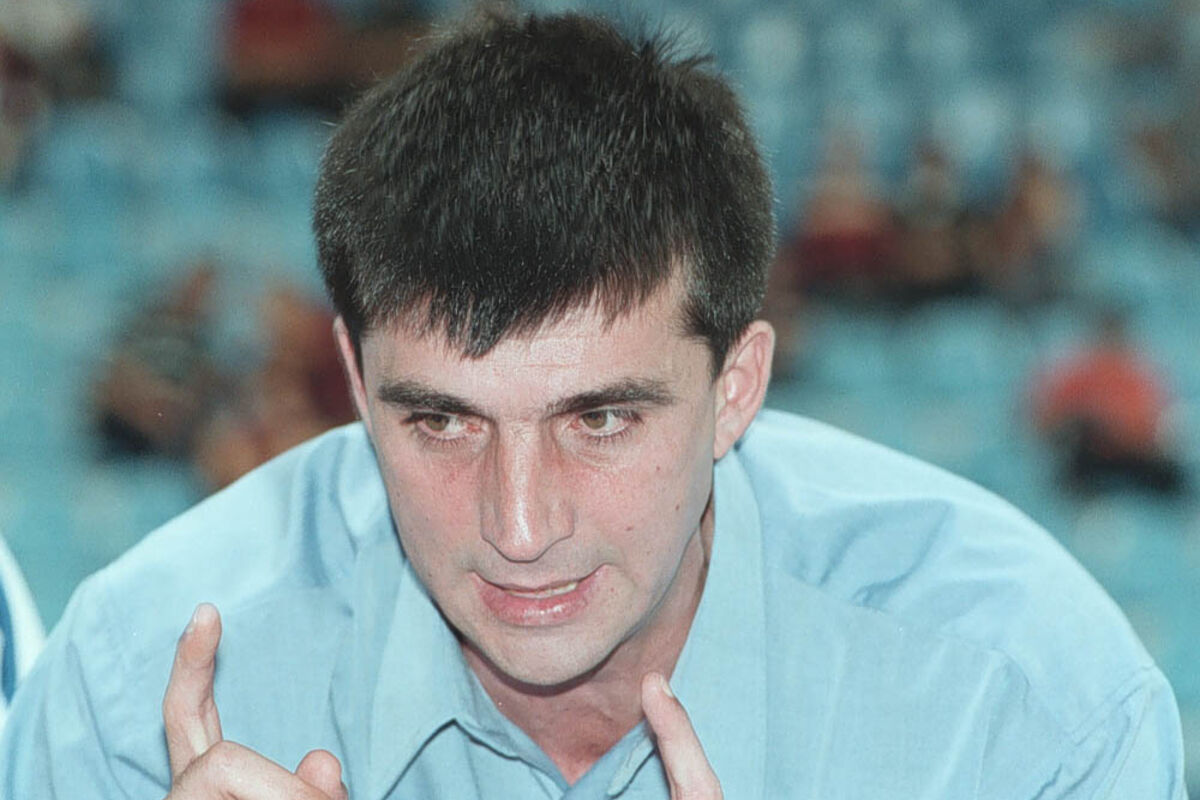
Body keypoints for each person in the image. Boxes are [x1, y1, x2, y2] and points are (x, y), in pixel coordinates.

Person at [1, 9, 1186, 798]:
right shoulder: (128, 693)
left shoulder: (1025, 708)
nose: (519, 527)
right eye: (441, 420)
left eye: (600, 419)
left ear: (737, 386)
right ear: (355, 384)